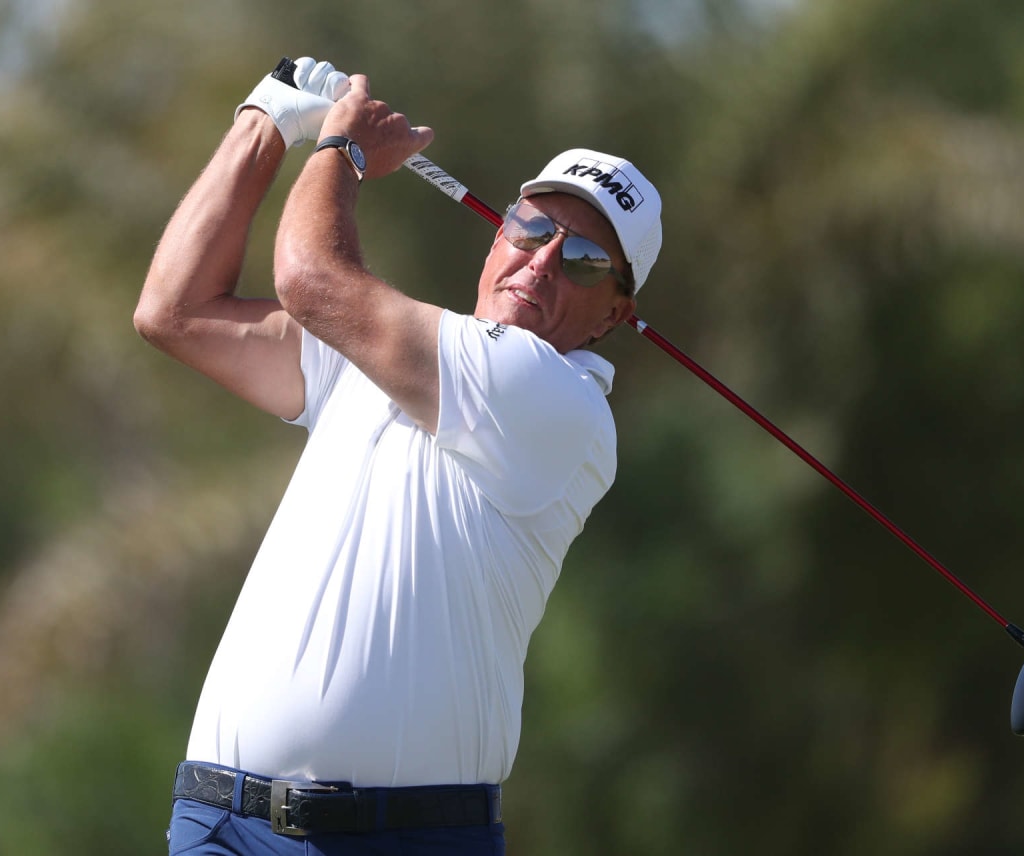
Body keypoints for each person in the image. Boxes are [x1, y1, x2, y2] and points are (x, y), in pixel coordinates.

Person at [134, 56, 662, 855]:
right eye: (532, 227)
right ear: (499, 232)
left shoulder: (555, 399)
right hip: (219, 823)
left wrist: (341, 149)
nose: (543, 261)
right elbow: (174, 311)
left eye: (584, 260)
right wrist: (265, 121)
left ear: (613, 316)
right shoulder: (377, 359)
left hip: (404, 838)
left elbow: (310, 280)